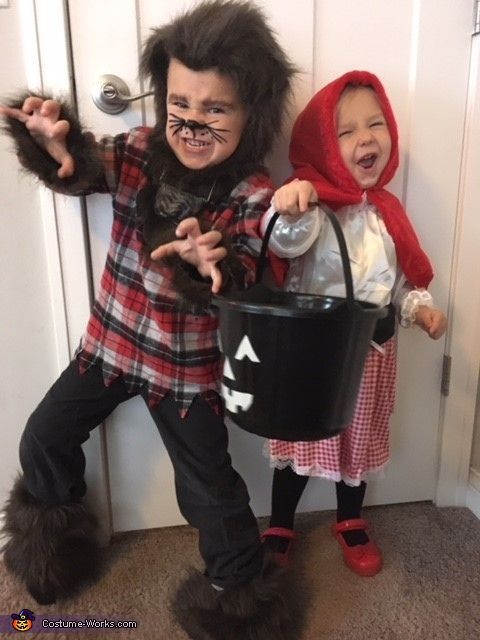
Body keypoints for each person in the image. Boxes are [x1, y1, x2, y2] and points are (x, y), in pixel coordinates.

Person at [0, 2, 298, 638]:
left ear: (255, 114)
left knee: (211, 494)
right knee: (43, 436)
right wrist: (55, 144)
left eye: (215, 109)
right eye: (181, 104)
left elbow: (244, 269)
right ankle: (52, 546)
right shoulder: (139, 149)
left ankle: (240, 599)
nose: (191, 122)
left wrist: (206, 263)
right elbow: (81, 170)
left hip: (185, 376)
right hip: (109, 348)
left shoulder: (251, 194)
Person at [260, 70, 447, 577]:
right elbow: (282, 243)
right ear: (321, 145)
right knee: (301, 439)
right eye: (345, 131)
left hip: (371, 355)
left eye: (376, 124)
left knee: (356, 443)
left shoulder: (389, 213)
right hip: (313, 357)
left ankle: (350, 518)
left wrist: (420, 310)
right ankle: (280, 521)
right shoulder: (312, 207)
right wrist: (291, 204)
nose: (366, 138)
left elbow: (402, 282)